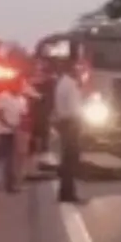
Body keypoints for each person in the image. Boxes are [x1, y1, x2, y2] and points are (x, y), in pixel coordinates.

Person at [54, 58, 84, 203]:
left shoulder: (63, 83)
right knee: (71, 160)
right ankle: (68, 193)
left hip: (65, 123)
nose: (79, 71)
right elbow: (73, 109)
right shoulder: (70, 85)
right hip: (71, 123)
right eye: (77, 68)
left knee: (67, 160)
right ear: (71, 69)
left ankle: (64, 192)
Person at [0, 80, 26, 193]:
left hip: (13, 132)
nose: (19, 88)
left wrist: (19, 128)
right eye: (17, 85)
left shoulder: (22, 100)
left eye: (21, 86)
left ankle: (9, 185)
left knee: (10, 159)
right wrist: (8, 125)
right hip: (1, 131)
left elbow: (23, 115)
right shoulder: (3, 96)